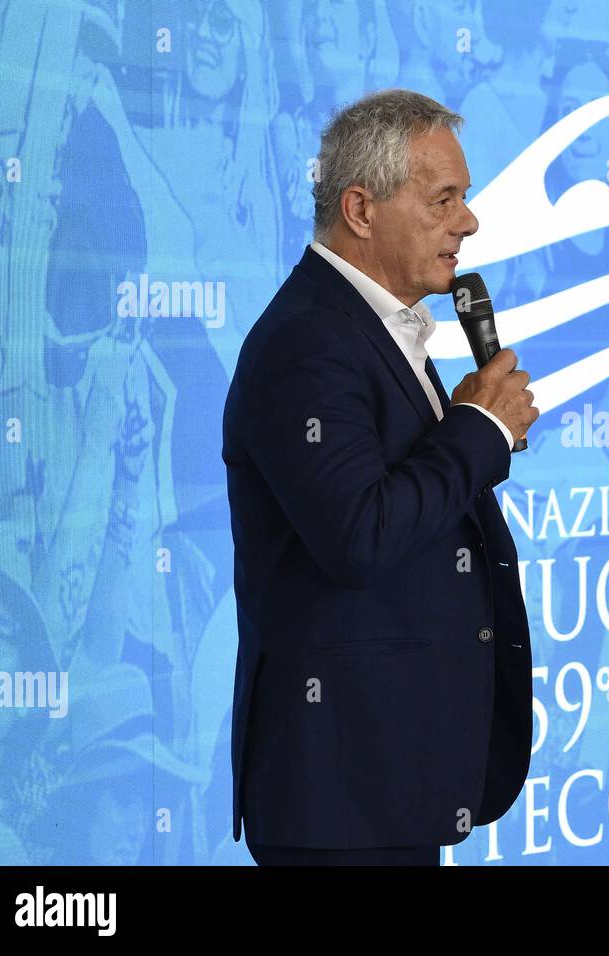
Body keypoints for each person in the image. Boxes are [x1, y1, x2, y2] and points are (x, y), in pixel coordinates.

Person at [223, 89, 538, 865]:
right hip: (339, 795)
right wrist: (481, 429)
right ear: (361, 209)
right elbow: (359, 536)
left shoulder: (371, 325)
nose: (468, 222)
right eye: (444, 200)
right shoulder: (309, 343)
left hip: (389, 779)